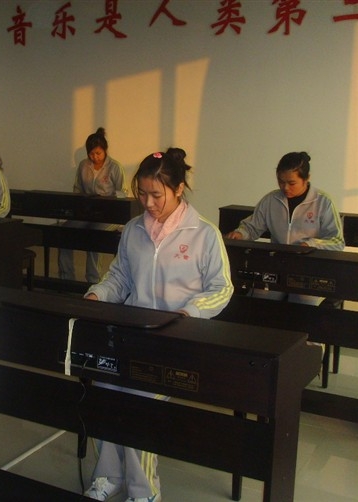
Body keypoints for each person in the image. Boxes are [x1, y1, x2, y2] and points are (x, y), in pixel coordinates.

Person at [83, 148, 234, 502]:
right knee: (103, 389)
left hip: (177, 340)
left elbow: (221, 288)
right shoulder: (133, 230)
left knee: (139, 399)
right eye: (142, 194)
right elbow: (119, 277)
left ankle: (144, 491)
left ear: (179, 188)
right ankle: (108, 476)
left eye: (156, 195)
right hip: (132, 334)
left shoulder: (204, 234)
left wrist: (190, 313)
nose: (147, 203)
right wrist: (97, 294)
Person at [226, 151, 344, 305]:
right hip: (276, 266)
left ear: (306, 178)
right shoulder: (271, 200)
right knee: (259, 298)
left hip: (308, 270)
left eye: (291, 183)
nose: (285, 187)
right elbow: (252, 227)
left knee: (303, 305)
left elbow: (337, 241)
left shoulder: (323, 202)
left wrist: (310, 245)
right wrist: (240, 234)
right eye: (281, 182)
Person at [58, 127, 126, 284]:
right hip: (86, 212)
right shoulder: (84, 166)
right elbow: (78, 189)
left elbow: (122, 193)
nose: (94, 157)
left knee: (95, 235)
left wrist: (108, 201)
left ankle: (93, 280)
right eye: (91, 154)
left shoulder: (115, 167)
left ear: (105, 151)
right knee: (64, 231)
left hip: (109, 215)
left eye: (98, 153)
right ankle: (66, 279)